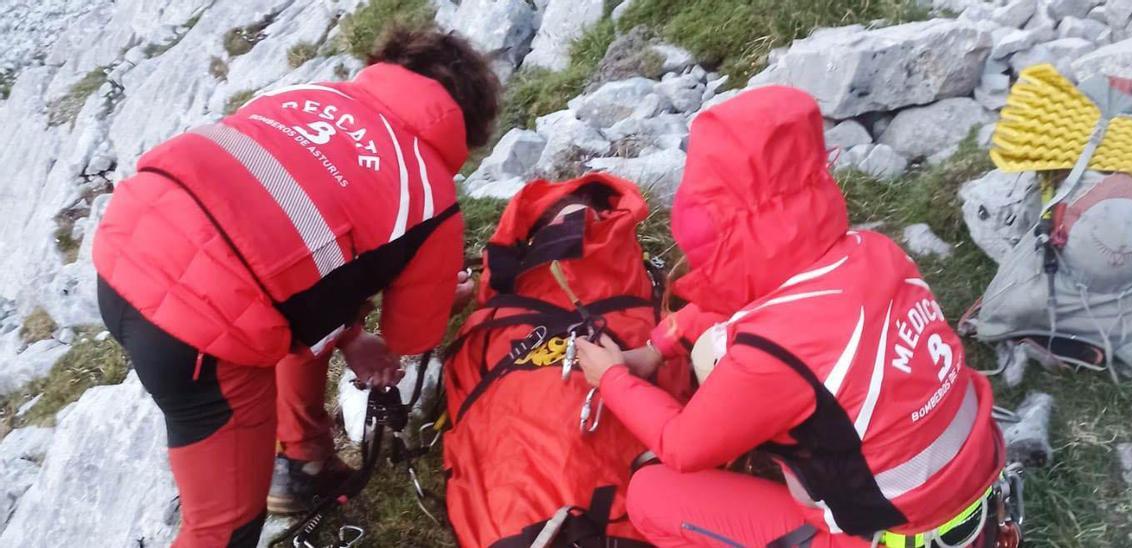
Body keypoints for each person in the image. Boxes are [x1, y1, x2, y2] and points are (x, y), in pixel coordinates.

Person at [92, 26, 500, 547]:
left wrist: (350, 335)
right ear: (467, 123)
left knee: (294, 296)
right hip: (198, 333)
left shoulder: (308, 94)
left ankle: (305, 461)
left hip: (126, 240)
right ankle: (290, 467)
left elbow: (301, 246)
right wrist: (446, 297)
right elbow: (412, 337)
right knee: (225, 527)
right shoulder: (428, 192)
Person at [574, 86, 1006, 547]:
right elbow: (746, 297)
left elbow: (681, 445)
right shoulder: (874, 252)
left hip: (890, 534)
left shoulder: (772, 357)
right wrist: (655, 349)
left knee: (650, 495)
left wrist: (613, 378)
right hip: (968, 490)